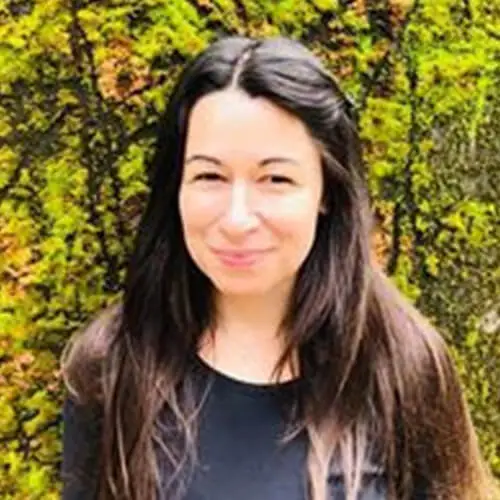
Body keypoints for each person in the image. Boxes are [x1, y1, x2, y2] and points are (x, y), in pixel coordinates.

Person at [60, 36, 495, 500]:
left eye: (276, 179)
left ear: (327, 191)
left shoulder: (402, 367)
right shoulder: (112, 367)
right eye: (210, 176)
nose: (237, 219)